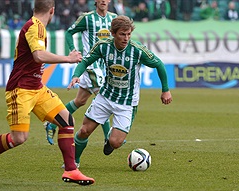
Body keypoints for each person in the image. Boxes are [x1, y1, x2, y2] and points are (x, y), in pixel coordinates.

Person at [0, 0, 95, 187]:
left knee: (67, 120)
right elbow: (39, 55)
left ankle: (71, 170)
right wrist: (68, 59)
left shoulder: (37, 26)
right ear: (52, 11)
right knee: (19, 138)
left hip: (36, 87)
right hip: (20, 89)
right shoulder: (34, 27)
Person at [67, 15, 172, 159]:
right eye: (122, 34)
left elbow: (159, 64)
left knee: (115, 142)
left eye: (129, 34)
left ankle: (111, 137)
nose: (126, 38)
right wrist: (76, 75)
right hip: (105, 96)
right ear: (113, 33)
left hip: (127, 102)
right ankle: (74, 163)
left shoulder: (137, 50)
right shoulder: (103, 46)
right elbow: (85, 61)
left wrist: (165, 90)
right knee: (84, 131)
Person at [44, 0, 117, 166]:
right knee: (103, 98)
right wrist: (73, 50)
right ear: (96, 1)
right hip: (91, 65)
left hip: (104, 67)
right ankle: (108, 136)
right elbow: (69, 32)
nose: (104, 1)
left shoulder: (114, 19)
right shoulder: (87, 18)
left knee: (80, 101)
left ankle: (52, 122)